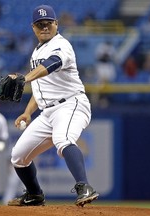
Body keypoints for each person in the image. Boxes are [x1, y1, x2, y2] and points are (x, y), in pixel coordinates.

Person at [5, 5, 98, 207]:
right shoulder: (36, 52)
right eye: (40, 25)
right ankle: (34, 194)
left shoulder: (61, 45)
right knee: (18, 156)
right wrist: (28, 112)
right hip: (48, 112)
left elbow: (52, 64)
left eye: (48, 23)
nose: (44, 27)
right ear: (33, 27)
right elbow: (41, 89)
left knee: (63, 139)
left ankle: (84, 186)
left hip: (71, 104)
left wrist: (24, 78)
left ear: (56, 24)